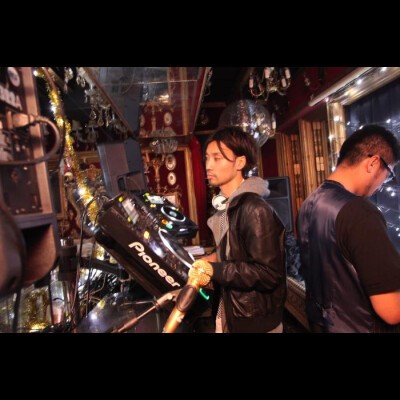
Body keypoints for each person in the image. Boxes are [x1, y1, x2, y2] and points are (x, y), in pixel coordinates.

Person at [297, 124, 400, 333]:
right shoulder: (360, 213)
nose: (382, 184)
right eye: (388, 174)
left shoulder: (309, 202)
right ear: (373, 163)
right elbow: (391, 310)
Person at [201, 126, 286, 333]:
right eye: (207, 158)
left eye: (217, 158)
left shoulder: (254, 209)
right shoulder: (227, 206)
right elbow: (236, 252)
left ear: (240, 162)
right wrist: (212, 258)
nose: (208, 165)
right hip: (232, 312)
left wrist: (215, 270)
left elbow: (268, 273)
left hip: (254, 323)